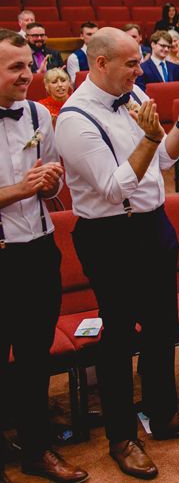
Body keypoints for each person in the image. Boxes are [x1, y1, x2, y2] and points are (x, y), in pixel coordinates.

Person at [54, 28, 179, 480]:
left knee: (162, 324)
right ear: (101, 63)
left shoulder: (133, 95)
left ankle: (164, 415)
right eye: (131, 63)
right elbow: (111, 187)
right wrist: (150, 140)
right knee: (119, 337)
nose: (140, 69)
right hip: (110, 235)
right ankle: (122, 437)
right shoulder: (73, 118)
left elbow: (166, 162)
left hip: (153, 224)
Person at [0, 29, 88, 483]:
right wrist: (20, 188)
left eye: (28, 64)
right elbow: (23, 188)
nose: (28, 73)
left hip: (37, 250)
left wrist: (50, 182)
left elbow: (53, 182)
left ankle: (37, 449)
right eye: (16, 66)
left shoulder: (37, 112)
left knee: (36, 356)